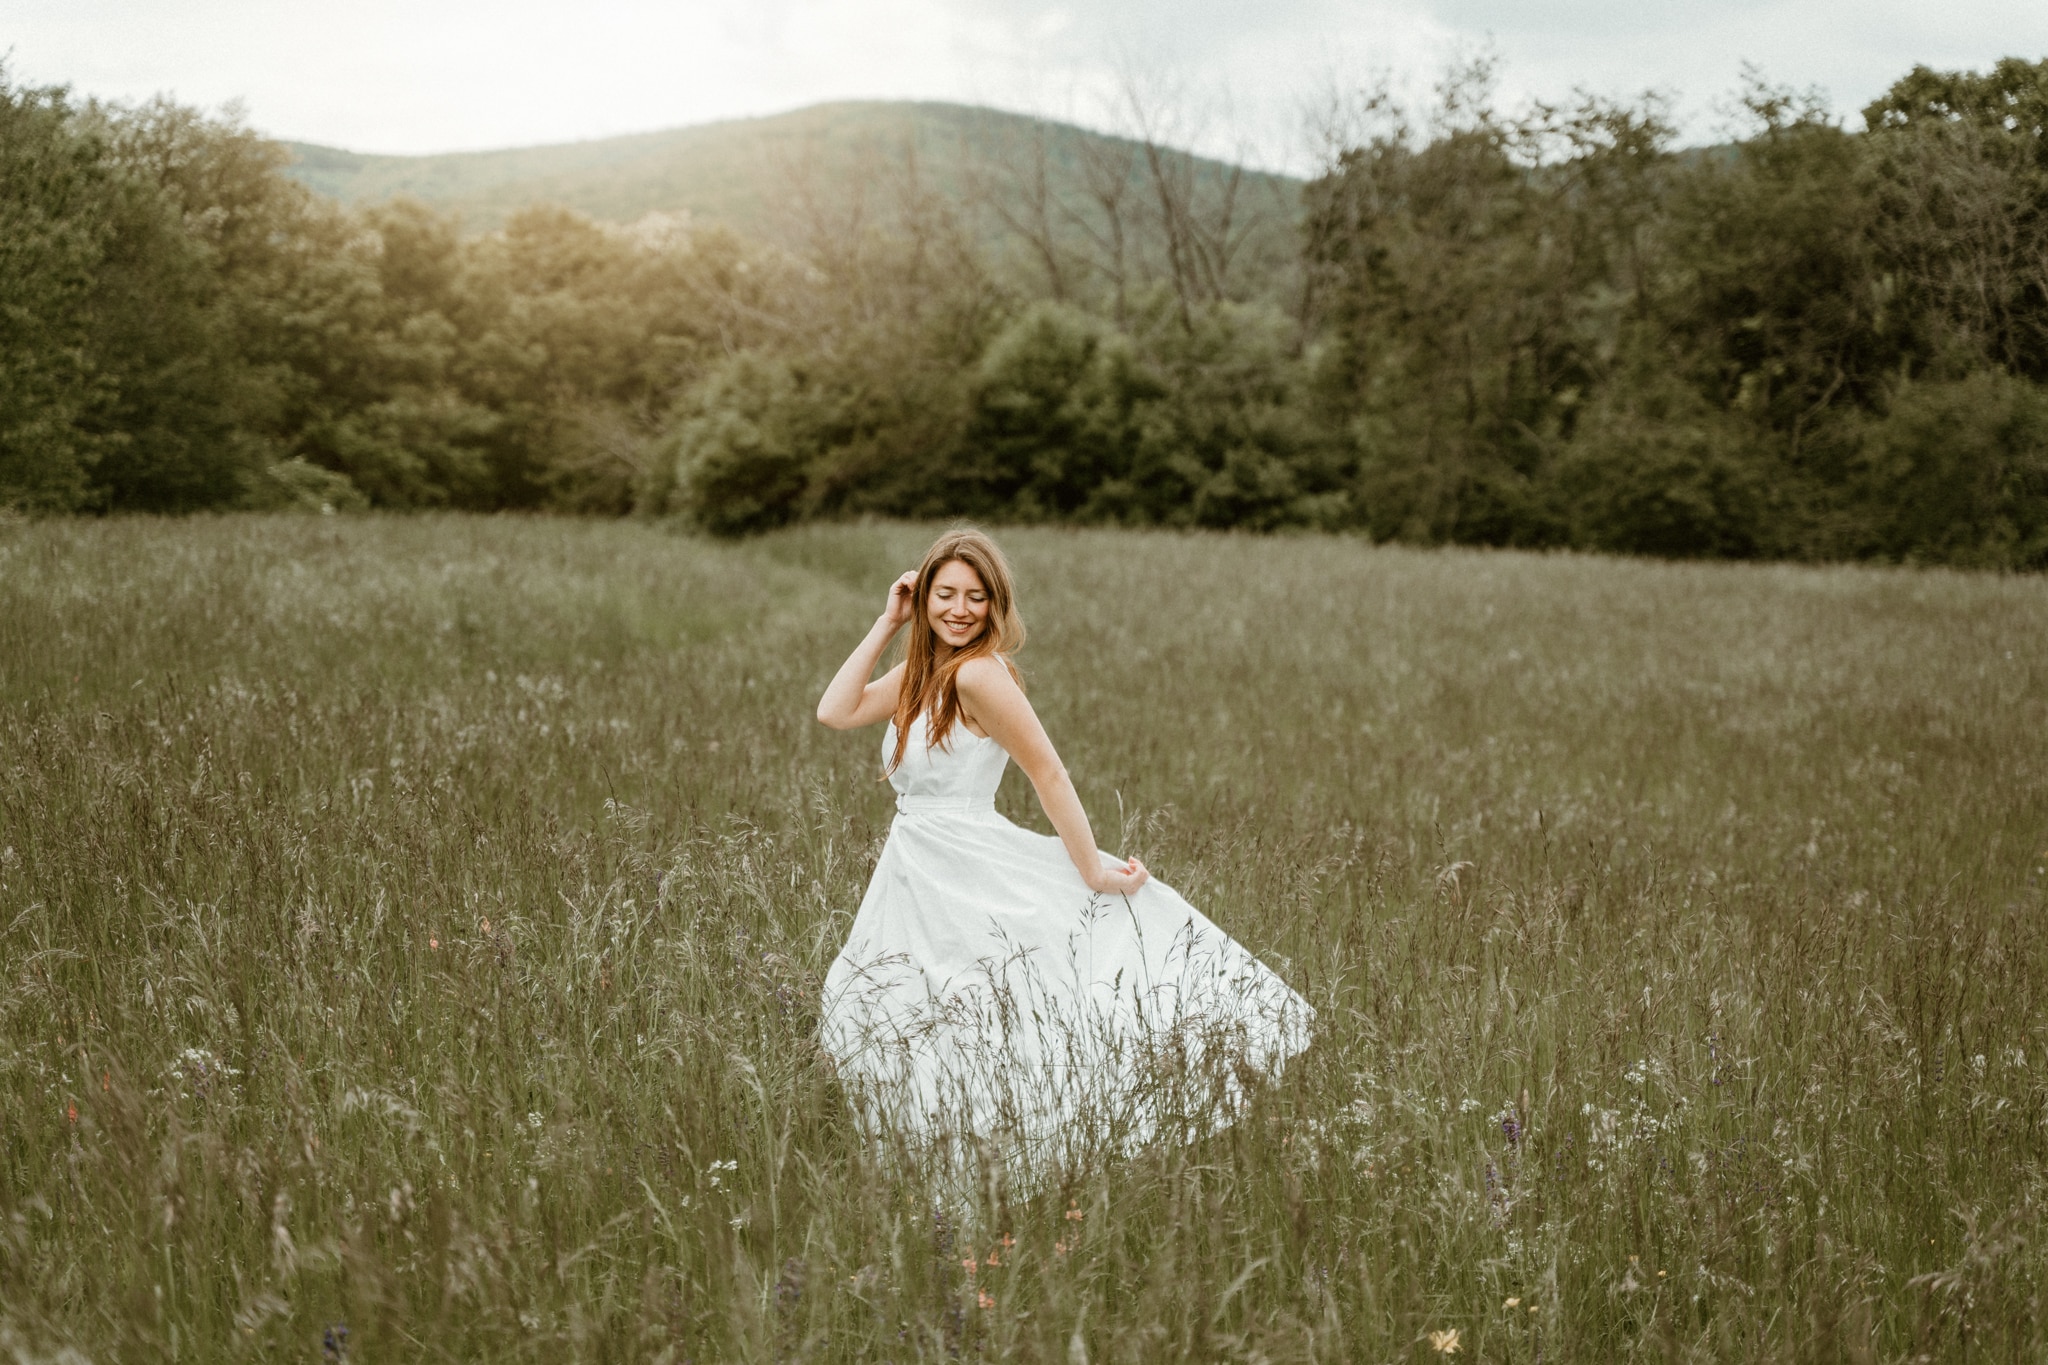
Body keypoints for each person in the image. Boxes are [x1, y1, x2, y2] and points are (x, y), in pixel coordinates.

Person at [815, 528, 1312, 1187]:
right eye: (945, 594)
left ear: (996, 606)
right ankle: (946, 1180)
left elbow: (1048, 772)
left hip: (966, 865)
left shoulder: (979, 675)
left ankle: (987, 1181)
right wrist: (888, 621)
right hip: (916, 868)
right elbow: (835, 709)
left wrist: (1094, 872)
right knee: (894, 1012)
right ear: (924, 596)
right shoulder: (922, 674)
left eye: (976, 597)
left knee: (980, 1017)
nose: (960, 609)